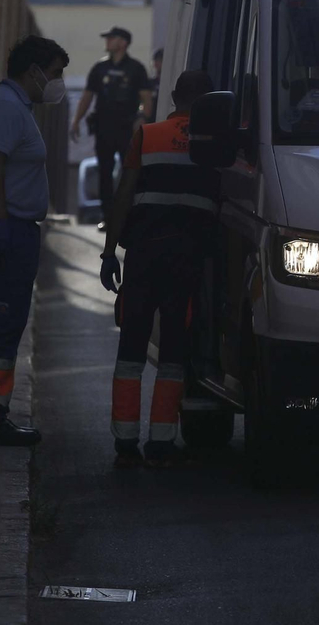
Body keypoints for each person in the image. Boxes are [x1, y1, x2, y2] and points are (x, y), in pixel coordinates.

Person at [98, 69, 220, 467]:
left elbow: (122, 197)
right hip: (187, 262)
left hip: (144, 258)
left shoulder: (147, 135)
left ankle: (125, 440)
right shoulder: (217, 144)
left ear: (173, 96)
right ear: (209, 102)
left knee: (131, 346)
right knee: (174, 349)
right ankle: (163, 440)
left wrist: (108, 252)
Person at [0, 34, 69, 458]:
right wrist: (1, 223)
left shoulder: (15, 108)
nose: (58, 83)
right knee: (0, 326)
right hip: (2, 226)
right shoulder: (5, 108)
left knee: (4, 326)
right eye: (56, 73)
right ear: (34, 71)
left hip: (13, 227)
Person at [70, 27, 154, 229]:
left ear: (123, 42)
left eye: (111, 38)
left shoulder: (136, 68)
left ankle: (127, 216)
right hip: (104, 128)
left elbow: (146, 100)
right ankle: (108, 217)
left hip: (127, 129)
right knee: (105, 174)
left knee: (129, 173)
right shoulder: (100, 68)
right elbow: (88, 96)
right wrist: (76, 121)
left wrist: (142, 117)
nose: (107, 41)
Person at [147, 48, 164, 122]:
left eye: (160, 61)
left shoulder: (172, 84)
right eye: (156, 61)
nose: (157, 63)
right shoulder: (150, 83)